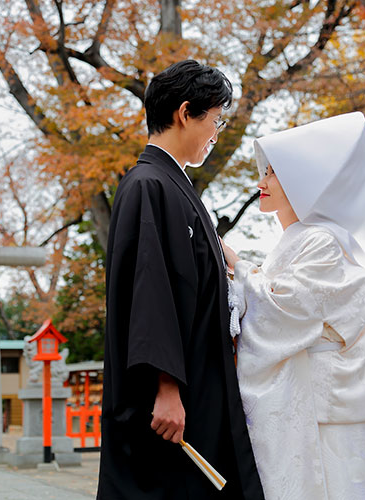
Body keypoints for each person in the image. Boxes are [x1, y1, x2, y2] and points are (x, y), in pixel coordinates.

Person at [97, 60, 265, 500]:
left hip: (197, 381)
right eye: (215, 120)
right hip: (169, 398)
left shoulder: (174, 184)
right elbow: (149, 292)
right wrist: (166, 387)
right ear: (185, 112)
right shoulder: (148, 184)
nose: (217, 132)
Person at [222, 112, 365, 500]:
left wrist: (237, 265)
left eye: (272, 173)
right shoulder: (302, 241)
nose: (261, 182)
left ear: (306, 180)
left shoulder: (321, 241)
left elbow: (287, 309)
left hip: (320, 405)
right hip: (307, 401)